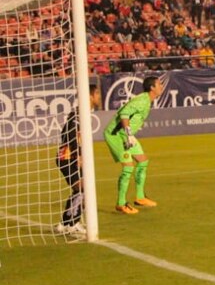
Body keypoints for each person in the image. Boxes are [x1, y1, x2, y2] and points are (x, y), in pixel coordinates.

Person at [104, 76, 162, 214]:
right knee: (128, 167)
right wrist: (129, 134)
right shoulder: (142, 100)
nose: (161, 86)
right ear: (152, 88)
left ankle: (140, 197)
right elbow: (124, 114)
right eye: (159, 84)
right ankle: (121, 203)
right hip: (116, 135)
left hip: (126, 135)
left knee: (143, 161)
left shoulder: (147, 100)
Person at [55, 85, 100, 235]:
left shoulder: (82, 114)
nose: (99, 97)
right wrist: (78, 154)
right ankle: (72, 223)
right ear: (89, 96)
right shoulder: (77, 116)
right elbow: (70, 135)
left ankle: (65, 223)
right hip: (67, 157)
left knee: (81, 189)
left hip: (71, 157)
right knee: (84, 188)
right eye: (97, 94)